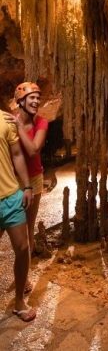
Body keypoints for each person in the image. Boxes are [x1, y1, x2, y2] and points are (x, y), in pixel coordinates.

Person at [4, 82, 48, 291]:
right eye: (32, 97)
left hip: (34, 179)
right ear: (20, 101)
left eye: (38, 98)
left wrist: (19, 126)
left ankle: (24, 276)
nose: (36, 101)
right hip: (11, 180)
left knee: (28, 229)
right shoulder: (8, 120)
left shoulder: (42, 123)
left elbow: (32, 150)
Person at [0, 108, 36, 322]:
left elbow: (16, 154)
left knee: (22, 248)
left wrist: (28, 186)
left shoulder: (5, 119)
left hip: (11, 196)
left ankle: (19, 301)